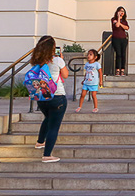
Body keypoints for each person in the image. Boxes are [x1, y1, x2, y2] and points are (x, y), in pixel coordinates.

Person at [31, 35, 68, 163]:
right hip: (57, 96)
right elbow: (65, 75)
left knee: (48, 118)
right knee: (54, 126)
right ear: (53, 48)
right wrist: (61, 60)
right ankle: (47, 155)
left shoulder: (36, 60)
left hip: (42, 96)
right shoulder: (57, 60)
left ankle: (40, 142)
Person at [76, 49, 102, 113]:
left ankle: (95, 107)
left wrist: (101, 81)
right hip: (86, 82)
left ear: (95, 57)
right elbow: (86, 73)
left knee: (93, 95)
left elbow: (100, 73)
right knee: (83, 94)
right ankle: (79, 106)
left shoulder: (97, 64)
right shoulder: (87, 64)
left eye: (90, 54)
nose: (88, 56)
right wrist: (84, 79)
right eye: (88, 54)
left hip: (93, 83)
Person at [111, 6, 129, 76]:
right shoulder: (113, 19)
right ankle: (117, 70)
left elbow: (127, 28)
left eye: (123, 11)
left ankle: (122, 70)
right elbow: (117, 25)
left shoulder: (125, 21)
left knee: (123, 54)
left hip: (123, 39)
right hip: (116, 39)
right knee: (118, 54)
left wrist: (121, 23)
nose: (122, 13)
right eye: (120, 11)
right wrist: (118, 18)